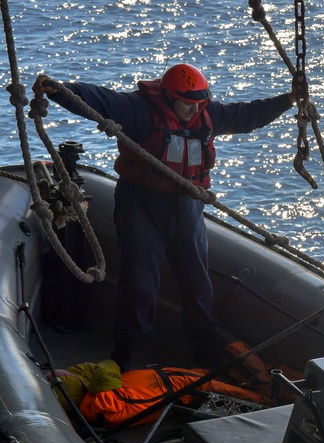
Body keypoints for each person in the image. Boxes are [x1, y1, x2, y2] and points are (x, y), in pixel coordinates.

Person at [34, 63, 297, 372]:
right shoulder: (141, 111)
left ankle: (205, 351)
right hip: (142, 206)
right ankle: (124, 354)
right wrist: (61, 91)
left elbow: (248, 115)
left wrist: (289, 99)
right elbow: (101, 100)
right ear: (171, 98)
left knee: (197, 283)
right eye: (187, 103)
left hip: (187, 209)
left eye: (199, 103)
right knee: (139, 283)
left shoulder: (208, 114)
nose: (193, 109)